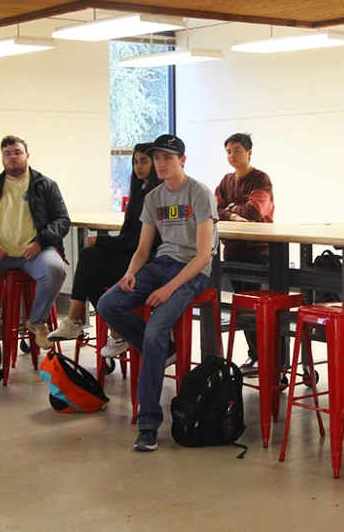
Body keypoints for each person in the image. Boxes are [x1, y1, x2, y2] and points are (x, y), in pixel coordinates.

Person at [96, 134, 219, 452]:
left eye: (168, 157)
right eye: (158, 158)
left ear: (183, 161)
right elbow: (142, 249)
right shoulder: (153, 198)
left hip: (191, 272)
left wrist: (169, 288)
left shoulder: (199, 193)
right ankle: (163, 350)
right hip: (160, 264)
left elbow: (204, 256)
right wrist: (130, 274)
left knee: (152, 333)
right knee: (109, 304)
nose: (162, 163)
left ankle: (148, 424)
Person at [0, 135, 70, 354]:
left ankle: (37, 322)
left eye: (17, 152)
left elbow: (62, 220)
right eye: (7, 154)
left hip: (36, 252)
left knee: (56, 270)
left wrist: (40, 241)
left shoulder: (45, 185)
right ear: (2, 158)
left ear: (27, 156)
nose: (12, 158)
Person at [49, 143, 162, 352]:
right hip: (133, 255)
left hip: (148, 260)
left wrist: (104, 242)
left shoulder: (158, 195)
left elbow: (142, 242)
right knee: (90, 263)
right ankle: (115, 332)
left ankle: (82, 322)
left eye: (144, 161)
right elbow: (127, 236)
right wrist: (105, 243)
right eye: (135, 162)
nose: (138, 167)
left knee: (91, 264)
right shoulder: (140, 192)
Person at [214, 133, 274, 369]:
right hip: (232, 249)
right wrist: (233, 213)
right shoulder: (226, 180)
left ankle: (266, 356)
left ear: (249, 152)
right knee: (243, 305)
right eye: (228, 151)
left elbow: (256, 211)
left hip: (258, 250)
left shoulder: (260, 179)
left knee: (254, 304)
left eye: (237, 150)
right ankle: (256, 355)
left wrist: (230, 209)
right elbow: (213, 208)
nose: (232, 155)